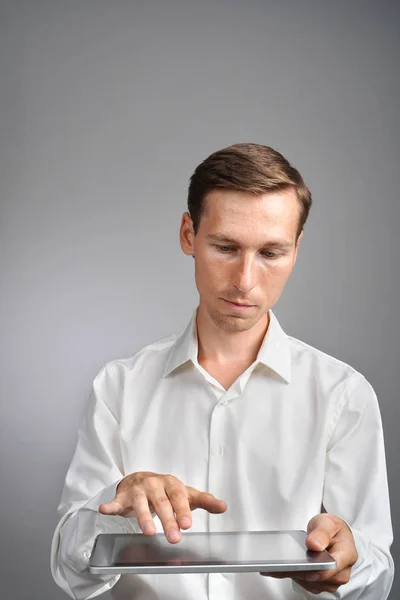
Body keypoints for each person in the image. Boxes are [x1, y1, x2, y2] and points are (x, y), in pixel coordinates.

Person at [51, 143, 394, 600]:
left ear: (297, 248)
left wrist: (350, 561)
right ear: (188, 234)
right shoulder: (119, 387)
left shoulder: (343, 395)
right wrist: (114, 505)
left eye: (271, 252)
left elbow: (376, 568)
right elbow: (69, 572)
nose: (245, 279)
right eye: (226, 247)